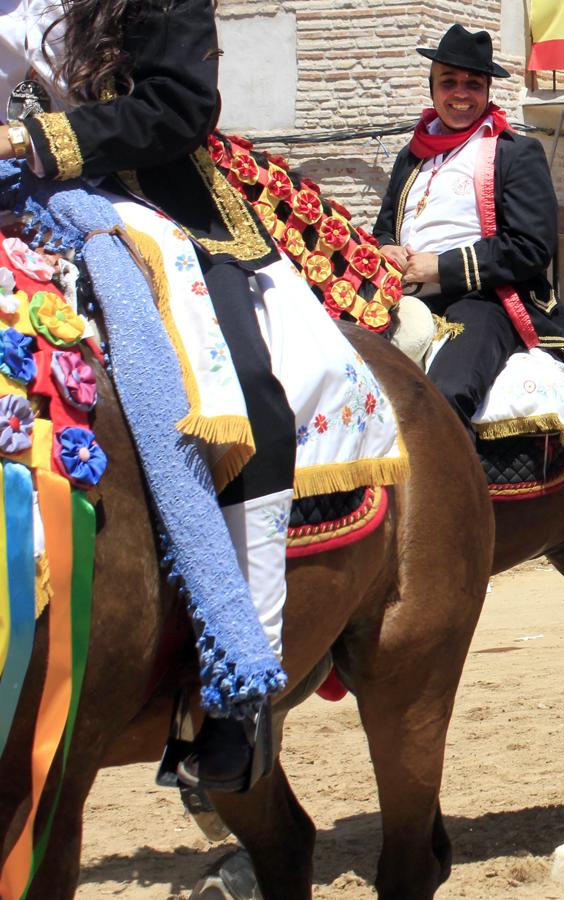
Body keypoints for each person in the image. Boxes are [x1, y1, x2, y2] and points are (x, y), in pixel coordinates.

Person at [1, 0, 405, 789]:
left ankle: (235, 676)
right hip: (29, 199)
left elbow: (178, 107)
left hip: (158, 199)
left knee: (244, 386)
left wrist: (31, 139)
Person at [374, 24, 564, 427]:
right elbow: (383, 227)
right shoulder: (411, 156)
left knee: (445, 395)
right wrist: (384, 247)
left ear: (487, 91)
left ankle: (458, 491)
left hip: (486, 300)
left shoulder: (515, 153)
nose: (461, 94)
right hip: (399, 299)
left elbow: (531, 247)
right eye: (449, 82)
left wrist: (440, 267)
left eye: (473, 83)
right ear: (433, 89)